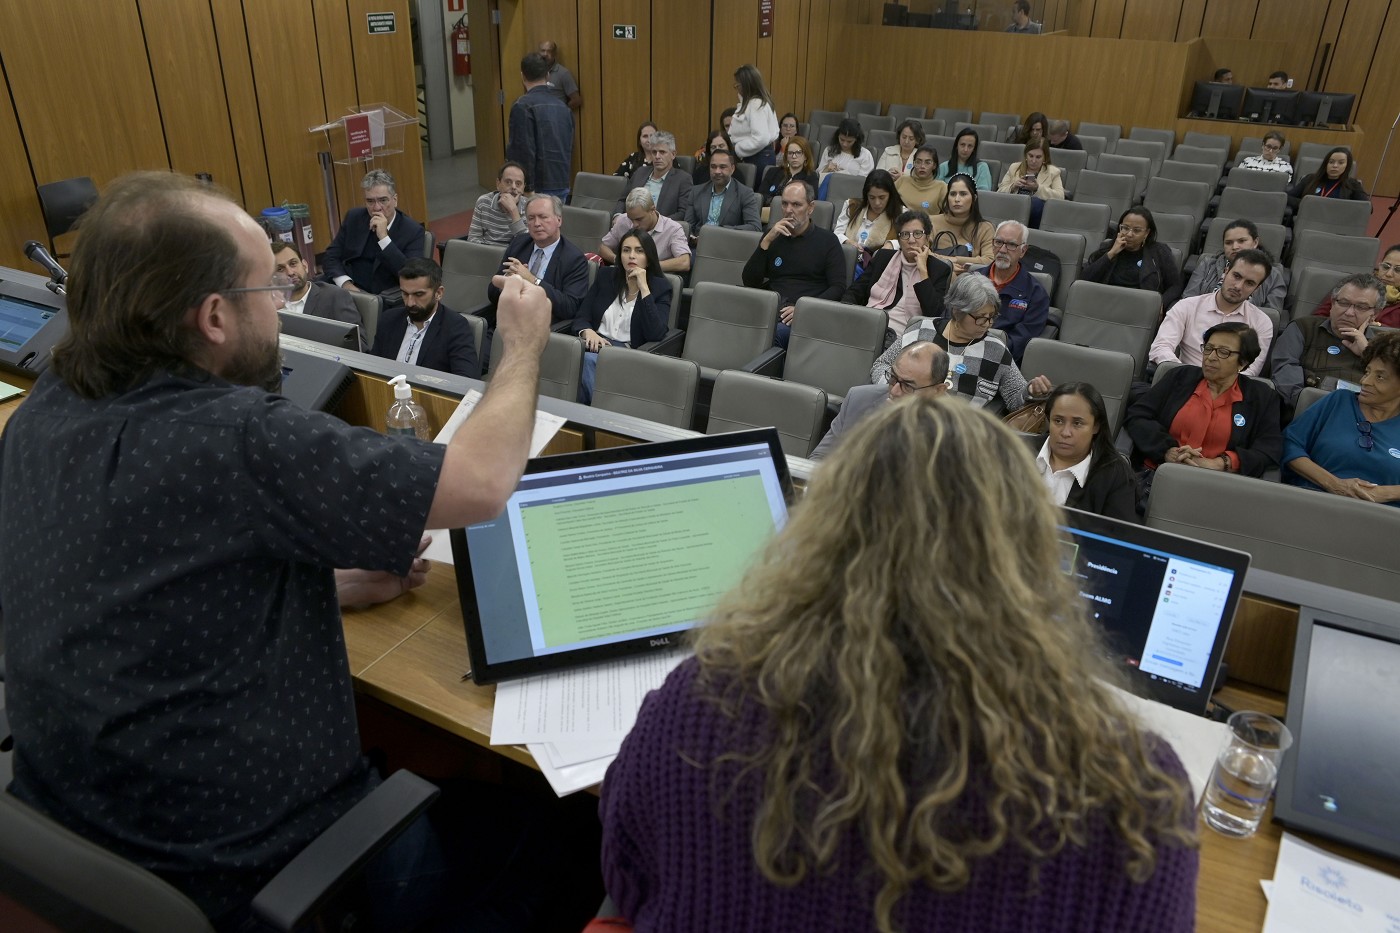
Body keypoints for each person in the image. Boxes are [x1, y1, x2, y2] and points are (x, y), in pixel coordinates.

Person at [0, 170, 570, 927]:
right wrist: (523, 344)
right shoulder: (238, 434)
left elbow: (147, 586)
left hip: (91, 831)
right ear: (212, 318)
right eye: (268, 292)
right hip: (257, 865)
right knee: (561, 843)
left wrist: (323, 586)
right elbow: (481, 481)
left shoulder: (41, 414)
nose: (280, 309)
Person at [600, 394, 1199, 933]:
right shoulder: (1138, 799)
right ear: (1033, 560)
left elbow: (627, 881)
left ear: (822, 536)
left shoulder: (698, 702)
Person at [1125, 323, 1282, 508]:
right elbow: (1138, 415)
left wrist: (1219, 463)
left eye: (1223, 352)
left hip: (1220, 490)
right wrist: (1168, 451)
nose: (1210, 358)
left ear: (1244, 361)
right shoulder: (1180, 377)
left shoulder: (1262, 396)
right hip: (1157, 476)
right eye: (1208, 349)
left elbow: (1269, 449)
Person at [872, 274, 1052, 410]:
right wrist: (898, 390)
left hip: (957, 433)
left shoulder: (996, 351)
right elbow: (881, 365)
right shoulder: (920, 331)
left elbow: (1015, 398)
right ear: (957, 311)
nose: (988, 324)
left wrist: (1031, 393)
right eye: (981, 318)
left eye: (992, 317)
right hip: (903, 413)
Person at [1282, 332, 1400, 505]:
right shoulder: (1338, 401)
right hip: (1313, 502)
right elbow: (1289, 444)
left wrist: (1385, 493)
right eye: (1367, 372)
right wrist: (1334, 484)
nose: (1365, 381)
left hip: (1381, 521)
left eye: (1380, 377)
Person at [742, 180, 845, 349]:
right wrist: (766, 242)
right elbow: (750, 281)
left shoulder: (828, 241)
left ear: (810, 208)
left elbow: (838, 288)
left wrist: (804, 308)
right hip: (771, 307)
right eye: (785, 204)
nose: (789, 210)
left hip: (804, 313)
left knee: (773, 335)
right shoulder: (772, 236)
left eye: (796, 204)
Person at [572, 229, 671, 403]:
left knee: (585, 362)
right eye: (626, 250)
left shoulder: (661, 288)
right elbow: (582, 316)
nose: (631, 256)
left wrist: (644, 288)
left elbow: (656, 332)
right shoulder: (605, 277)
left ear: (649, 257)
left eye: (639, 251)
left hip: (625, 355)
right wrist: (587, 331)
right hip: (593, 345)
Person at [809, 340, 949, 459]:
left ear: (938, 390)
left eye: (907, 386)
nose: (894, 391)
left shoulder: (955, 431)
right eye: (893, 378)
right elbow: (819, 458)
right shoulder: (858, 399)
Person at [1151, 247, 1275, 377]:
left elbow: (1251, 369)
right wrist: (1184, 373)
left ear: (1256, 288)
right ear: (1225, 272)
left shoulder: (1262, 323)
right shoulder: (1187, 306)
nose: (1238, 286)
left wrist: (1219, 383)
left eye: (1249, 283)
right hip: (1183, 379)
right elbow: (1161, 347)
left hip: (1227, 390)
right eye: (1236, 276)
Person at [1271, 273, 1384, 408]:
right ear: (1332, 303)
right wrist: (1314, 409)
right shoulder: (1303, 327)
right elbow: (1285, 370)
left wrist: (1368, 354)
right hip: (1304, 411)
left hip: (1358, 420)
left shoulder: (1384, 349)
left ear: (1374, 314)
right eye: (1343, 303)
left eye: (1361, 307)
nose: (1349, 312)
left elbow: (1388, 394)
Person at [843, 209, 952, 343]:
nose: (911, 240)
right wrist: (848, 316)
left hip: (905, 337)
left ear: (927, 237)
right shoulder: (883, 258)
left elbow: (933, 312)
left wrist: (923, 270)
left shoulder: (939, 269)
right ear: (899, 240)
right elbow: (855, 291)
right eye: (905, 234)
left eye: (918, 234)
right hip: (869, 324)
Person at [1036, 382, 1140, 522]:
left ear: (1096, 426)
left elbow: (1117, 538)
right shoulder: (1016, 452)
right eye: (1058, 421)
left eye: (1077, 423)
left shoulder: (1116, 475)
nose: (1066, 432)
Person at [485, 194, 590, 325]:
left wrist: (532, 280)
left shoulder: (574, 259)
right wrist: (507, 281)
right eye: (531, 218)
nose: (537, 223)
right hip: (507, 323)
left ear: (559, 220)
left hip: (544, 330)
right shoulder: (519, 244)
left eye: (543, 217)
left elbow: (570, 307)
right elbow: (492, 292)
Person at [369, 257, 480, 378]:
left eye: (419, 294)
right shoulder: (388, 320)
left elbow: (466, 380)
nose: (410, 303)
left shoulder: (455, 327)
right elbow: (373, 369)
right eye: (405, 294)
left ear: (438, 293)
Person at [322, 169, 426, 295]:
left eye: (383, 200)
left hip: (381, 298)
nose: (376, 208)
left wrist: (384, 239)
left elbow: (411, 275)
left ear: (395, 200)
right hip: (346, 289)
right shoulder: (354, 217)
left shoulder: (413, 231)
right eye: (370, 201)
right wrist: (345, 284)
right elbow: (330, 256)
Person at [974, 220, 1049, 363]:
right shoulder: (970, 280)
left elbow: (1021, 341)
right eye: (998, 242)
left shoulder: (1036, 294)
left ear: (1023, 251)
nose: (1002, 250)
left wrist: (982, 349)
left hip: (999, 360)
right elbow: (950, 318)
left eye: (1011, 245)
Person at [270, 239, 364, 350]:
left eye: (293, 263)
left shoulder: (335, 297)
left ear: (305, 265)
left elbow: (360, 346)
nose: (290, 272)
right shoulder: (268, 305)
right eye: (280, 269)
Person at [1082, 207, 1183, 308]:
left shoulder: (1159, 252)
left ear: (1146, 233)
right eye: (1125, 228)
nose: (1129, 234)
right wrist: (1111, 254)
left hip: (1140, 307)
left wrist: (1160, 304)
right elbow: (1084, 280)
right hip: (1105, 303)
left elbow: (1175, 286)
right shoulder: (1108, 248)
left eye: (1137, 230)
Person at [506, 51, 574, 201]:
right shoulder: (563, 107)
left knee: (532, 224)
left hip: (537, 186)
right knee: (555, 223)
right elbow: (568, 146)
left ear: (522, 76)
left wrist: (527, 188)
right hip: (561, 180)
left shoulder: (522, 106)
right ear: (548, 75)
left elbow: (522, 151)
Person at [1182, 219, 1288, 310]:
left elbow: (1271, 314)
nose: (1235, 246)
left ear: (1255, 242)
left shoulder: (1273, 275)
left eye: (1241, 241)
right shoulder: (1207, 264)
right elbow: (1188, 299)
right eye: (1228, 243)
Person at [602, 188, 691, 272]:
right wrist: (618, 260)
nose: (634, 224)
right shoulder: (623, 220)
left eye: (639, 219)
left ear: (652, 210)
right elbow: (603, 247)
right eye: (631, 219)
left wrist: (647, 266)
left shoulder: (673, 229)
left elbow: (684, 262)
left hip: (655, 280)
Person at [685, 148, 762, 237]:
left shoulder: (745, 193)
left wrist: (721, 231)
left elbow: (755, 227)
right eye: (713, 167)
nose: (717, 171)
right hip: (698, 245)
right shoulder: (696, 191)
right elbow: (688, 226)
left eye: (722, 167)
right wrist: (692, 237)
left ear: (732, 169)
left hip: (728, 245)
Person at [928, 173, 995, 274]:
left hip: (970, 281)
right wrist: (947, 265)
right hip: (935, 277)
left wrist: (954, 260)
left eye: (963, 194)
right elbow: (922, 252)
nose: (957, 199)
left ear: (974, 198)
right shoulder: (931, 222)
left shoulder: (985, 228)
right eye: (953, 194)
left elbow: (989, 260)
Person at [619, 130, 692, 220]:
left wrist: (657, 223)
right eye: (654, 152)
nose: (657, 156)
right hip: (631, 225)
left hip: (661, 229)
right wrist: (617, 216)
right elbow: (622, 201)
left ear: (673, 154)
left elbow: (682, 214)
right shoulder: (640, 172)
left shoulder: (683, 179)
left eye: (662, 152)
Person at [996, 139, 1064, 228]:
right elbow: (999, 192)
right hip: (1013, 208)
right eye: (1031, 156)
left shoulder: (1053, 172)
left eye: (1038, 157)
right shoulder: (1014, 167)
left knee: (1036, 203)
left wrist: (1037, 188)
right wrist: (1013, 186)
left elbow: (1060, 197)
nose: (1033, 160)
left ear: (1045, 157)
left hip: (1037, 214)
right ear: (1025, 155)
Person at [833, 168, 903, 252]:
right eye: (872, 197)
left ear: (890, 195)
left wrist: (891, 244)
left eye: (882, 197)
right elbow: (837, 234)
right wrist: (847, 241)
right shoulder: (852, 205)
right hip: (849, 256)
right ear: (866, 195)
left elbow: (906, 240)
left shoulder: (901, 213)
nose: (877, 203)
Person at [729, 63, 780, 172]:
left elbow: (761, 138)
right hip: (755, 156)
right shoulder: (753, 103)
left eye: (737, 85)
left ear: (746, 85)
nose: (737, 89)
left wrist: (737, 149)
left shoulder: (756, 104)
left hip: (757, 158)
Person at [465, 161, 528, 247]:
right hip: (487, 254)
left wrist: (513, 211)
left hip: (514, 257)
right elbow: (473, 239)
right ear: (498, 184)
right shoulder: (483, 202)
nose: (513, 187)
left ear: (523, 187)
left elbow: (526, 244)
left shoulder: (529, 207)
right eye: (508, 182)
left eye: (518, 184)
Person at [1287, 146, 1369, 209]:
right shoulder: (1310, 179)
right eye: (1331, 162)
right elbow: (1287, 197)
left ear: (1347, 166)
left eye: (1340, 163)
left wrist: (1338, 208)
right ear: (1326, 164)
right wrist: (1307, 204)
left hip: (1336, 224)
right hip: (1308, 220)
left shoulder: (1353, 185)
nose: (1335, 166)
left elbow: (1368, 207)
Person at [759, 134, 819, 207]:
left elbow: (809, 201)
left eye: (798, 153)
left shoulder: (811, 176)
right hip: (768, 210)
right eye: (790, 153)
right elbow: (761, 196)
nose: (794, 156)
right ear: (786, 156)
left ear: (806, 156)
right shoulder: (773, 172)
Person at [894, 145, 948, 214]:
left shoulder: (941, 187)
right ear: (914, 163)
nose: (922, 166)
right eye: (918, 162)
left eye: (927, 162)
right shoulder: (903, 180)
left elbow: (947, 215)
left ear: (934, 165)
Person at [937, 128, 993, 193]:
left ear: (974, 149)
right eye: (962, 145)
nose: (965, 149)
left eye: (970, 146)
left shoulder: (982, 167)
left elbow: (984, 194)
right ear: (956, 146)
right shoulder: (943, 167)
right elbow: (937, 191)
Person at [819, 118, 875, 183]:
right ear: (838, 136)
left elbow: (863, 182)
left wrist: (844, 175)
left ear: (856, 139)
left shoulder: (865, 155)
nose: (845, 144)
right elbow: (818, 178)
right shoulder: (829, 150)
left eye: (849, 141)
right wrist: (826, 169)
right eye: (842, 140)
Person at [537, 39, 581, 111]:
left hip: (555, 120)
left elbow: (576, 100)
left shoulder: (563, 73)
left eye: (549, 51)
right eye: (543, 50)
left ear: (554, 54)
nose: (545, 54)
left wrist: (560, 111)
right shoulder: (534, 72)